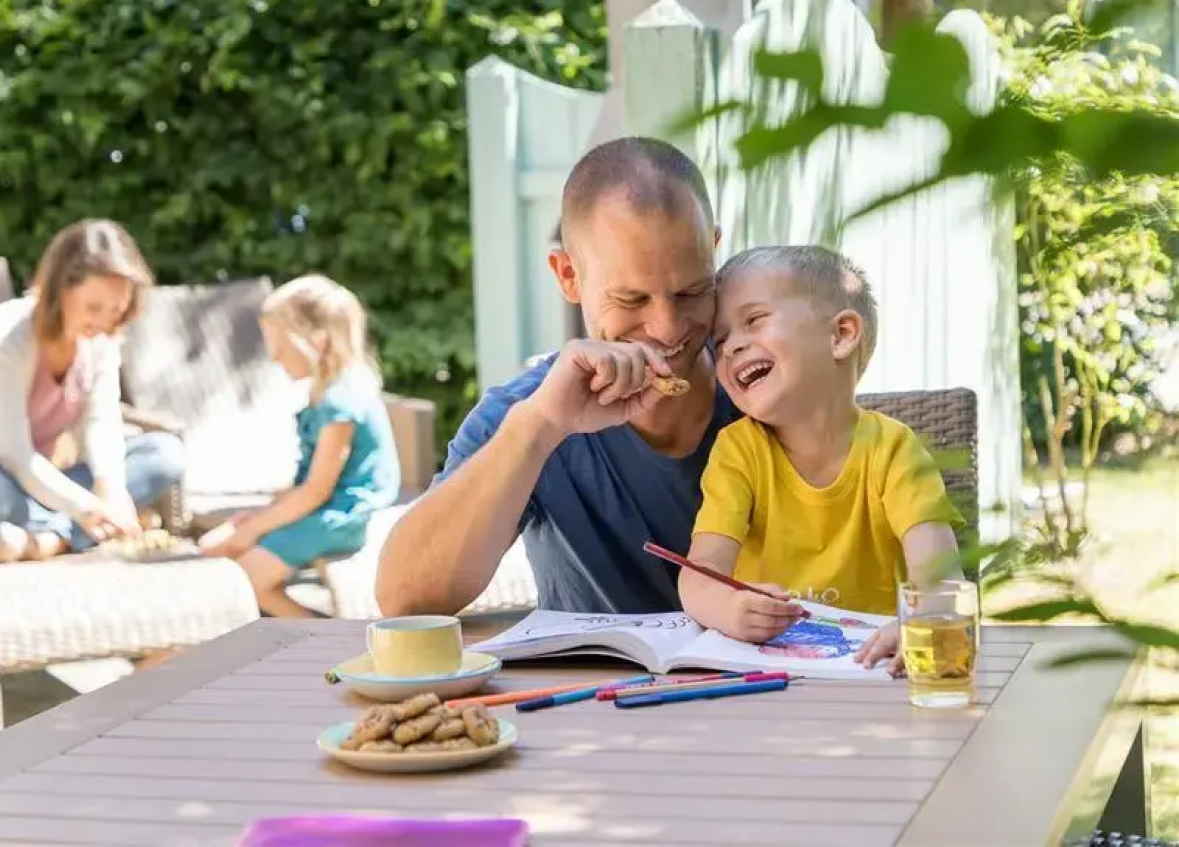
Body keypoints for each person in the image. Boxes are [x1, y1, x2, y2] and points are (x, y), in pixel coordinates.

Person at [377, 137, 742, 617]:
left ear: (713, 249)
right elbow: (404, 599)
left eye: (692, 291)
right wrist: (541, 428)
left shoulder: (763, 382)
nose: (668, 328)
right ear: (568, 275)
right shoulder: (527, 411)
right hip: (591, 688)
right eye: (632, 300)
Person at [679, 245, 963, 671]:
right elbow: (699, 575)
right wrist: (728, 608)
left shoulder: (895, 450)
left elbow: (941, 577)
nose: (732, 347)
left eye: (753, 320)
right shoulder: (738, 451)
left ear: (841, 334)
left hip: (876, 674)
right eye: (719, 342)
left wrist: (919, 619)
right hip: (764, 680)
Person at [0, 219, 188, 562]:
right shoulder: (1, 339)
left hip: (47, 491)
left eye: (117, 309)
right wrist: (87, 507)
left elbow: (102, 422)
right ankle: (69, 533)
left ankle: (46, 539)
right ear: (59, 291)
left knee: (165, 453)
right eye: (94, 308)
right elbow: (16, 457)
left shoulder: (102, 337)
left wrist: (110, 488)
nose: (105, 322)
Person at [197, 274, 400, 617]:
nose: (274, 357)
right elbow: (308, 485)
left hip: (342, 518)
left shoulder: (341, 400)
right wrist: (260, 516)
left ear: (317, 340)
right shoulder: (325, 392)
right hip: (325, 510)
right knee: (214, 549)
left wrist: (251, 530)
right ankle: (317, 639)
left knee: (240, 580)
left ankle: (326, 647)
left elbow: (316, 492)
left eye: (278, 344)